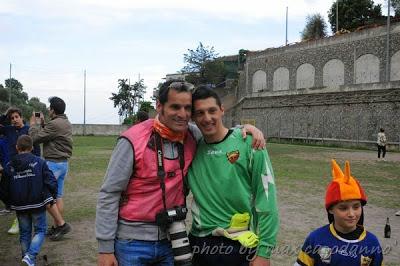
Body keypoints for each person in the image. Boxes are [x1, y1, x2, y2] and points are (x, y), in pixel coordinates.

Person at [95, 80, 266, 266]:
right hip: (132, 243)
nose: (182, 114)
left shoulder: (192, 135)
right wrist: (105, 249)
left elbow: (218, 132)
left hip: (173, 239)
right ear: (159, 106)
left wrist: (244, 130)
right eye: (175, 107)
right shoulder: (132, 140)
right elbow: (109, 194)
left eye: (187, 108)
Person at [187, 86, 279, 266]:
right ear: (193, 118)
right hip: (199, 242)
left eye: (212, 110)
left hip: (238, 244)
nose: (207, 118)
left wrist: (264, 252)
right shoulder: (191, 146)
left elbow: (266, 198)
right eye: (200, 113)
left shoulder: (250, 143)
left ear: (222, 110)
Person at [294, 159, 384, 266]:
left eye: (356, 207)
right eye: (343, 208)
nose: (351, 214)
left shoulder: (372, 243)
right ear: (331, 209)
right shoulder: (316, 239)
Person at [0, 135, 57, 266]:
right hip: (38, 204)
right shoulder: (40, 162)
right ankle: (30, 257)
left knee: (24, 233)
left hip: (20, 206)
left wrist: (9, 202)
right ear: (32, 148)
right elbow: (51, 181)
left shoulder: (9, 166)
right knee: (40, 230)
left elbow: (3, 189)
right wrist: (51, 196)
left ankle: (26, 258)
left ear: (16, 148)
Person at [29, 96, 73, 241]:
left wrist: (33, 125)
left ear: (53, 110)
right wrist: (43, 124)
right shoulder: (65, 122)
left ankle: (61, 224)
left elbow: (34, 139)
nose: (48, 109)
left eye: (49, 107)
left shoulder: (54, 124)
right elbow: (51, 135)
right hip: (63, 164)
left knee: (44, 195)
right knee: (57, 196)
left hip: (53, 164)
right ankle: (56, 227)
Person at [0, 107, 41, 234]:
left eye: (16, 117)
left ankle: (27, 219)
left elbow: (36, 145)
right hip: (14, 165)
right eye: (12, 118)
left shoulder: (28, 129)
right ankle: (18, 217)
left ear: (21, 117)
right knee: (14, 192)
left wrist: (37, 161)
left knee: (28, 191)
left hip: (30, 164)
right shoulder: (9, 130)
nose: (14, 120)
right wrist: (5, 114)